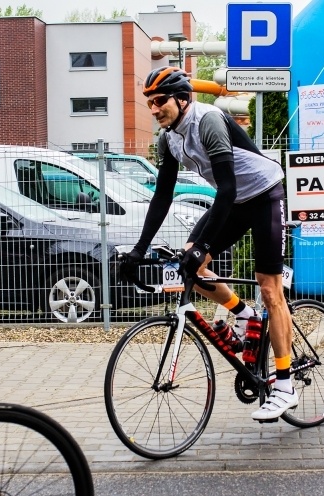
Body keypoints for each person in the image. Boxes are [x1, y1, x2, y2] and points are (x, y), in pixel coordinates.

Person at [121, 67, 295, 421]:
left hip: (263, 195)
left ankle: (285, 386)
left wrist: (203, 244)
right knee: (190, 266)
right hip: (233, 201)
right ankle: (246, 317)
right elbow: (162, 196)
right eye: (149, 103)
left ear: (182, 99)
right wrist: (139, 249)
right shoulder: (168, 138)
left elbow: (227, 189)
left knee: (270, 288)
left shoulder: (209, 120)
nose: (153, 110)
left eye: (159, 101)